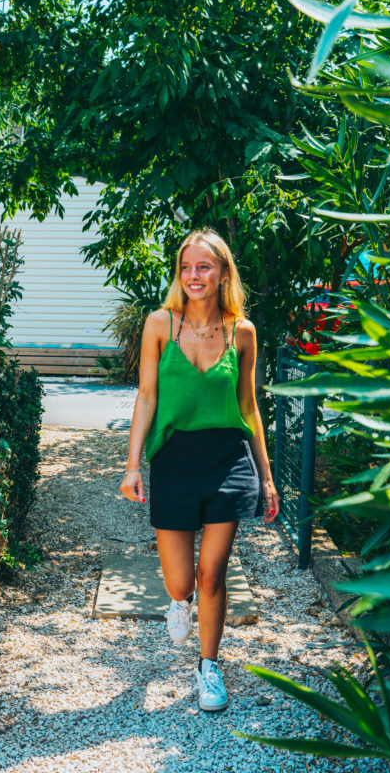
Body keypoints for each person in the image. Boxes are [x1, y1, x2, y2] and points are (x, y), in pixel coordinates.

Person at [119, 227, 280, 712]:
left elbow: (249, 407)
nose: (193, 275)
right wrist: (132, 465)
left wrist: (266, 476)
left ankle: (209, 668)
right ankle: (179, 602)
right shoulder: (159, 324)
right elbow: (147, 397)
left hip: (228, 459)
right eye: (186, 267)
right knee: (181, 583)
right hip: (173, 459)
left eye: (204, 267)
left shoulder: (241, 332)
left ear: (223, 273)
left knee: (212, 574)